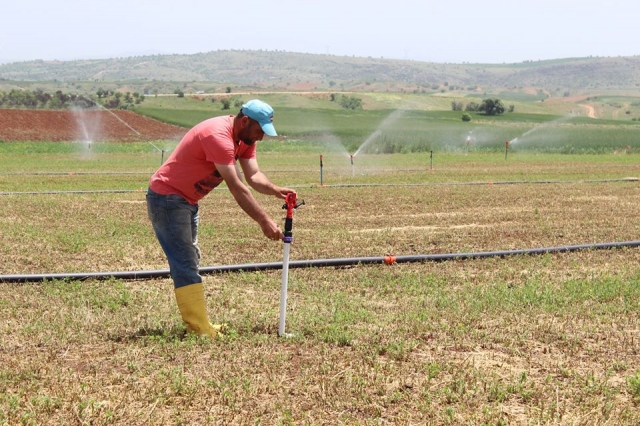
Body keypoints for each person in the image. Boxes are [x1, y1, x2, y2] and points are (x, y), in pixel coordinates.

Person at [146, 99, 295, 339]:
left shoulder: (244, 139)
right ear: (245, 121)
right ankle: (198, 328)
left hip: (186, 201)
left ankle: (200, 323)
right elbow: (237, 186)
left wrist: (276, 189)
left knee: (190, 258)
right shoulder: (218, 135)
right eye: (259, 131)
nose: (260, 138)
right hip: (168, 199)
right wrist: (264, 221)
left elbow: (254, 176)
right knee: (184, 260)